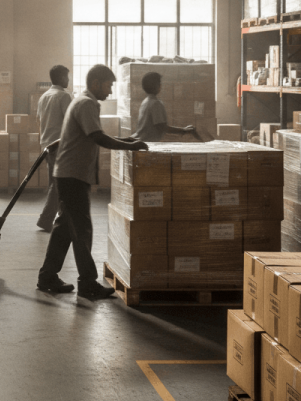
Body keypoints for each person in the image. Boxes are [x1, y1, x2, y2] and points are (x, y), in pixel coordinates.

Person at [37, 64, 149, 302]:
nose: (110, 91)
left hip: (69, 174)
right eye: (109, 85)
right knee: (82, 230)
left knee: (64, 230)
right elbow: (96, 136)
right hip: (73, 176)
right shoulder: (87, 103)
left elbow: (94, 134)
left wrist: (125, 139)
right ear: (96, 83)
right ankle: (87, 284)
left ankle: (47, 277)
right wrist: (130, 146)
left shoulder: (81, 101)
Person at [36, 64, 73, 232]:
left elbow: (39, 120)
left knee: (54, 182)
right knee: (59, 183)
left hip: (46, 144)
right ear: (60, 78)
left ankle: (61, 216)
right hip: (60, 145)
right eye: (66, 77)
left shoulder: (44, 97)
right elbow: (72, 122)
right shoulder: (64, 97)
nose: (68, 80)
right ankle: (46, 219)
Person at [132, 71, 195, 142]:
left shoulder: (145, 101)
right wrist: (183, 130)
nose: (161, 85)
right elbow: (161, 127)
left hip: (143, 140)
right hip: (150, 142)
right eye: (159, 83)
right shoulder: (156, 104)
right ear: (156, 86)